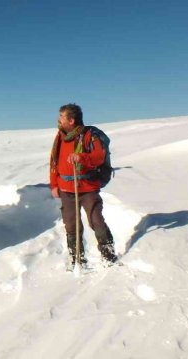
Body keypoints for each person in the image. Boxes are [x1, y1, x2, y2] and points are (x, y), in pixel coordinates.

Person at [50, 103, 118, 267]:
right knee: (71, 225)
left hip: (88, 188)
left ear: (71, 120)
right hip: (66, 189)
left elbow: (99, 156)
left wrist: (81, 157)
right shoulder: (60, 137)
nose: (58, 119)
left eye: (61, 116)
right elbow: (54, 162)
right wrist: (54, 184)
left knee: (96, 221)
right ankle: (77, 258)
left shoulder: (89, 135)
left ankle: (108, 255)